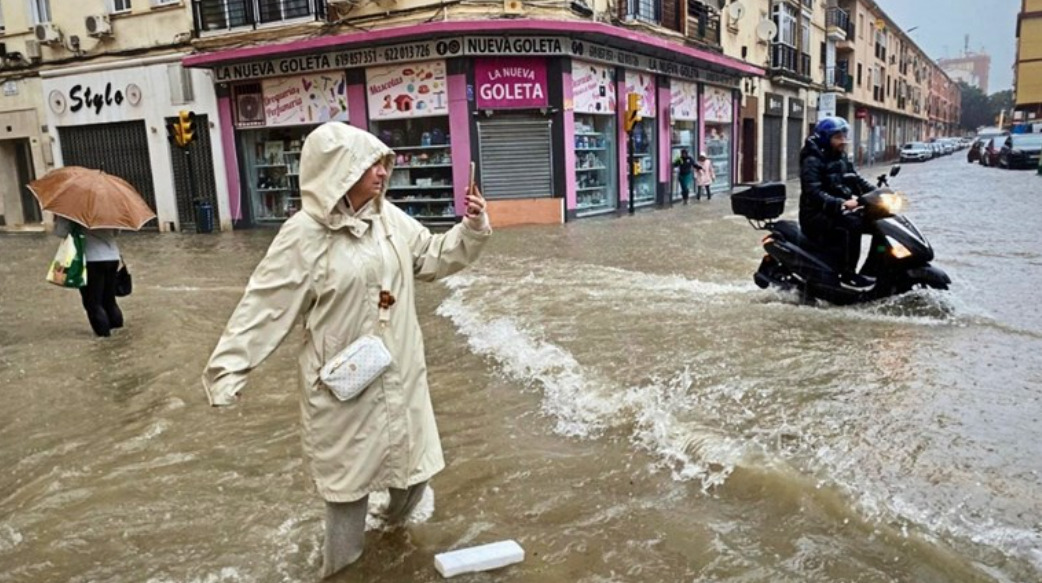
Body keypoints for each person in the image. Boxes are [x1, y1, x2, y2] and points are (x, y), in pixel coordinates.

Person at [201, 121, 491, 579]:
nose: (381, 172)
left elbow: (432, 256)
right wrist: (229, 369)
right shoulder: (304, 236)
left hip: (400, 373)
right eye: (370, 164)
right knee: (347, 491)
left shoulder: (389, 220)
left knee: (413, 474)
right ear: (339, 171)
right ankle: (340, 572)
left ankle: (389, 537)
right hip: (343, 386)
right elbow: (264, 304)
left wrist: (471, 229)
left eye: (382, 163)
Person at [799, 116, 876, 291]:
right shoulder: (812, 160)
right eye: (838, 137)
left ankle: (876, 269)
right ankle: (847, 274)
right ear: (826, 138)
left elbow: (855, 179)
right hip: (815, 215)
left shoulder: (841, 157)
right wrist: (841, 203)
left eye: (844, 136)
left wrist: (876, 193)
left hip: (836, 210)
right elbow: (813, 192)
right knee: (853, 224)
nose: (843, 141)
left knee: (875, 221)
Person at [53, 216, 123, 337]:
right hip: (112, 257)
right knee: (109, 300)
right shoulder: (109, 208)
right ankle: (119, 336)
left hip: (90, 259)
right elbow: (116, 232)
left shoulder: (72, 210)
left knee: (93, 303)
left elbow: (61, 232)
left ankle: (104, 341)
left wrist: (59, 219)